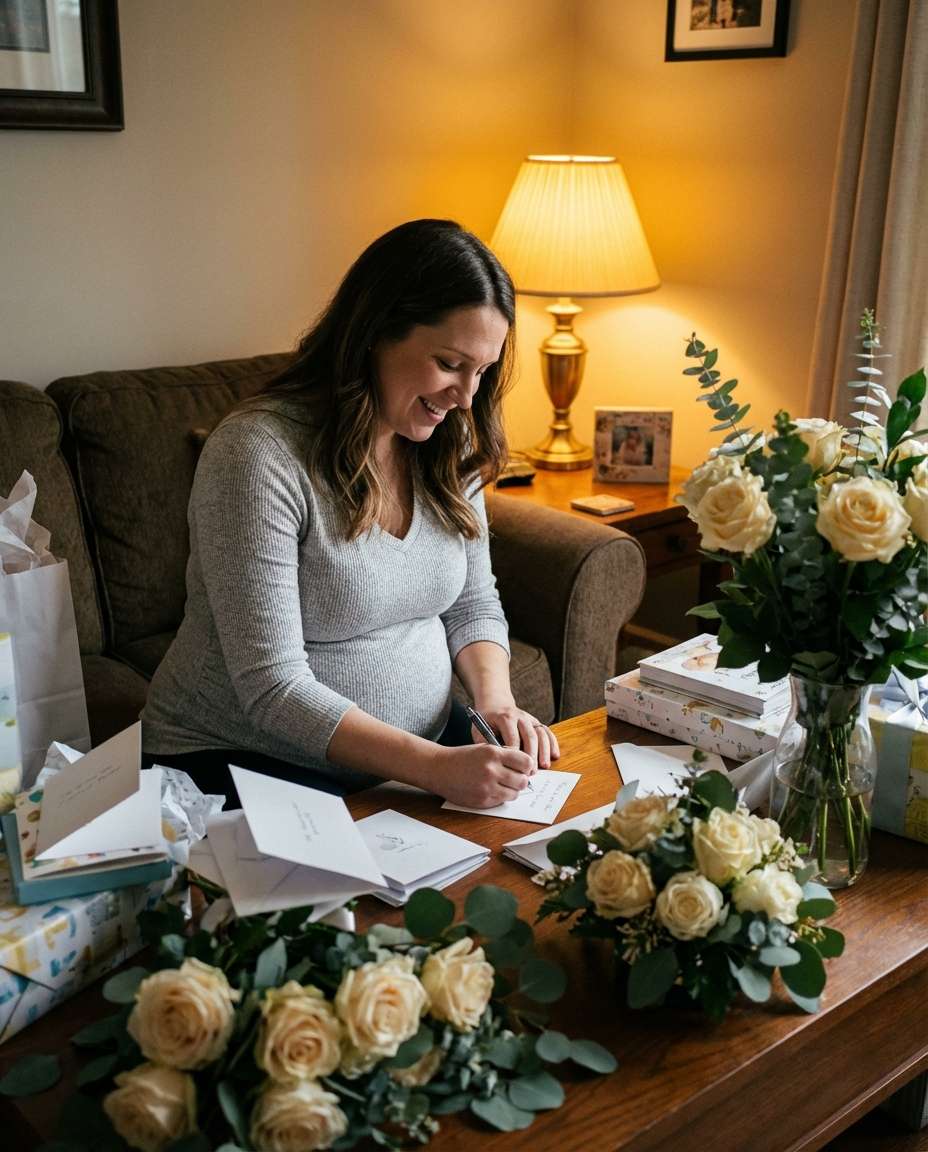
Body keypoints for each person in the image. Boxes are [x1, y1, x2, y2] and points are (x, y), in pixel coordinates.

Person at [141, 219, 560, 809]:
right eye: (449, 363)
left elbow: (472, 602)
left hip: (421, 752)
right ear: (375, 333)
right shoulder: (256, 454)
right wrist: (435, 769)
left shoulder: (449, 439)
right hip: (245, 756)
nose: (466, 397)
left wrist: (496, 705)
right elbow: (271, 686)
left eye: (483, 370)